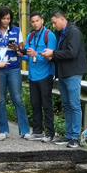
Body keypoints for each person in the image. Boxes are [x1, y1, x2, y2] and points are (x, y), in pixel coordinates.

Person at [45, 11, 87, 146]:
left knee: (74, 105)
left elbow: (72, 52)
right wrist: (52, 56)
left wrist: (54, 53)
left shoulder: (73, 32)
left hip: (73, 73)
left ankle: (75, 137)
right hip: (62, 73)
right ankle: (69, 135)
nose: (53, 25)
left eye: (54, 22)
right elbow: (61, 54)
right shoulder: (61, 33)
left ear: (62, 19)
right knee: (67, 105)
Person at [0, 7, 30, 140]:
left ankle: (25, 130)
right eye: (3, 18)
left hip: (13, 67)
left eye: (8, 18)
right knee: (0, 99)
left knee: (17, 98)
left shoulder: (16, 30)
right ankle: (3, 130)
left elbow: (22, 50)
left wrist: (17, 49)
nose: (6, 21)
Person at [25, 12, 57, 141]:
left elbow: (50, 56)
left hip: (45, 75)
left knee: (46, 105)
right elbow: (28, 55)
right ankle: (37, 131)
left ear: (42, 21)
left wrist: (35, 54)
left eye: (37, 20)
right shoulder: (30, 36)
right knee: (35, 104)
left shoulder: (50, 35)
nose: (35, 23)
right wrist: (19, 52)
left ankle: (50, 133)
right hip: (33, 76)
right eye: (32, 21)